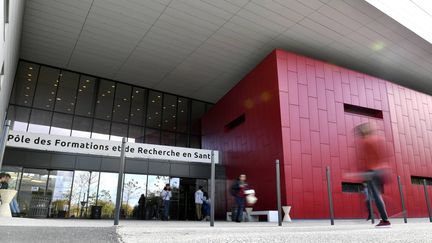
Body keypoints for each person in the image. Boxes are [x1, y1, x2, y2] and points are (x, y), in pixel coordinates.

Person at [355, 123, 391, 228]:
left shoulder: (365, 141)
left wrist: (363, 173)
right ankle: (384, 219)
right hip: (382, 170)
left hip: (372, 171)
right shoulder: (379, 139)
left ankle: (385, 220)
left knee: (376, 196)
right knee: (377, 195)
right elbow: (384, 155)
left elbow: (365, 160)